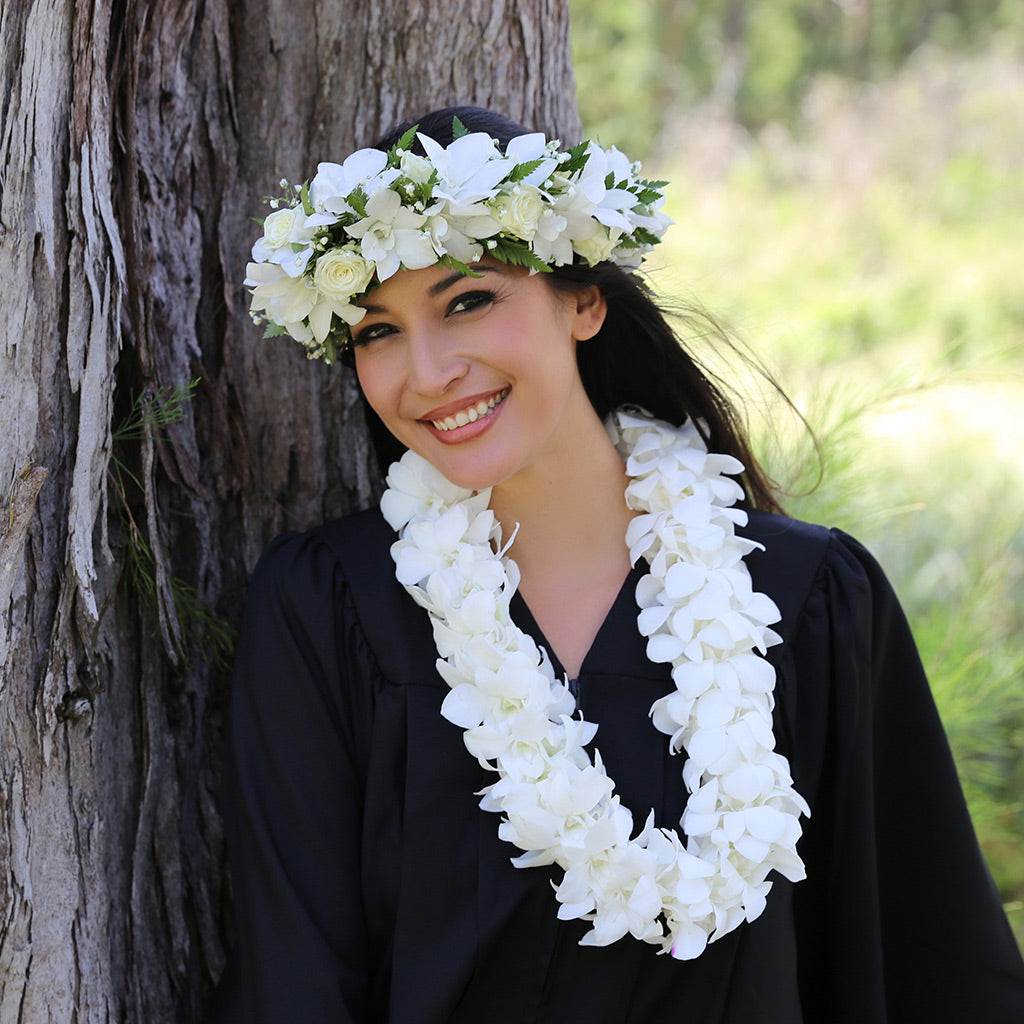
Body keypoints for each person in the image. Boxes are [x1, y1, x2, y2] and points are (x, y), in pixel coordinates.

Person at [208, 106, 1024, 1023]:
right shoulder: (333, 609)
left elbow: (920, 956)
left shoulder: (805, 599)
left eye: (468, 301)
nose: (427, 372)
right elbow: (294, 983)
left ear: (584, 300)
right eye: (377, 332)